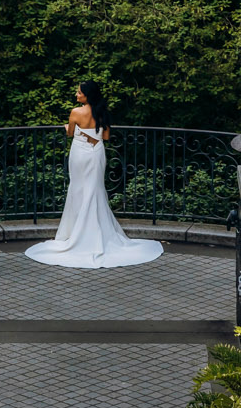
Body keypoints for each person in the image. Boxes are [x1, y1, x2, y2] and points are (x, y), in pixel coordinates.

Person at [24, 81, 164, 269]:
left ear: (87, 95)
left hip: (80, 153)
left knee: (78, 188)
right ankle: (97, 231)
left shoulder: (76, 112)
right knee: (95, 189)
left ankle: (75, 232)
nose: (76, 94)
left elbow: (70, 133)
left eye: (79, 92)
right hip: (97, 152)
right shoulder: (102, 112)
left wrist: (67, 128)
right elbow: (105, 137)